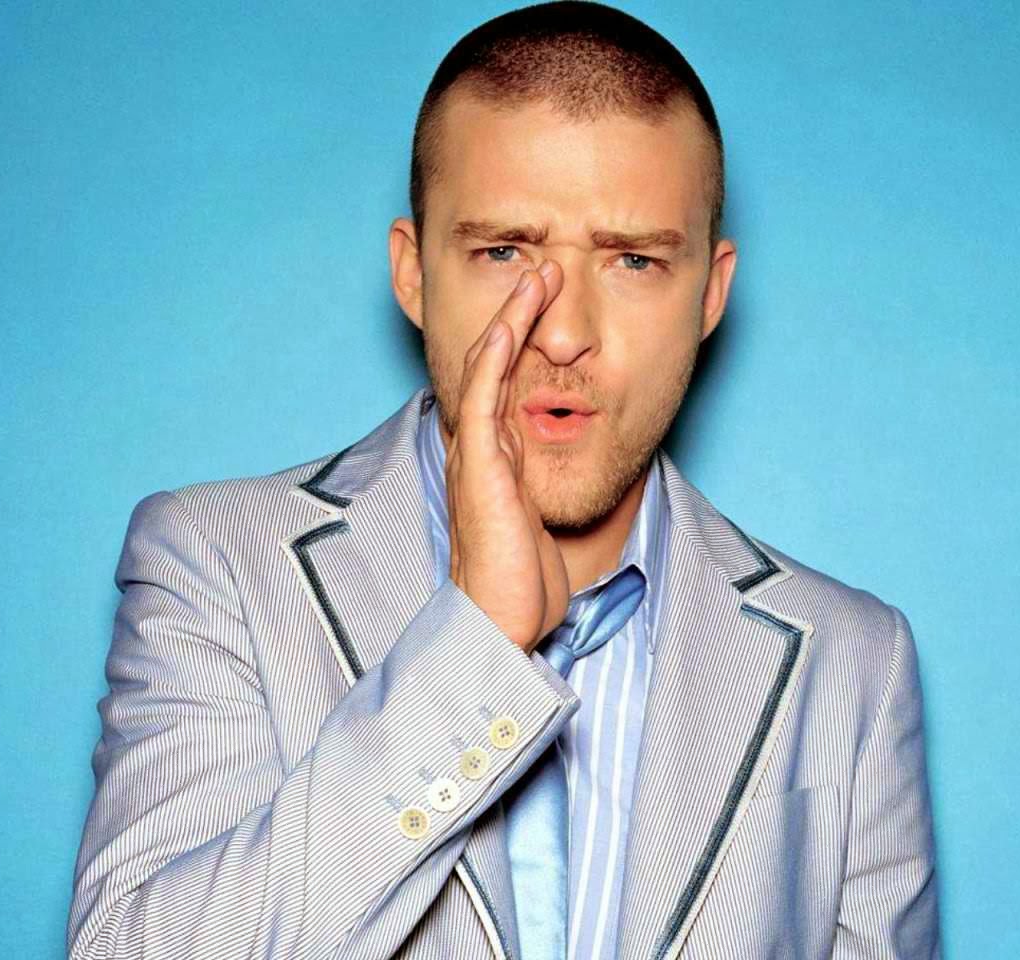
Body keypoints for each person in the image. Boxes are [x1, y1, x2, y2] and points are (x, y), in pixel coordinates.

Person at [67, 2, 940, 958]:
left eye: (634, 259)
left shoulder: (853, 659)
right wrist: (475, 640)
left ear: (710, 293)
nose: (562, 333)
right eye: (504, 252)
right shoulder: (217, 566)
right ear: (413, 274)